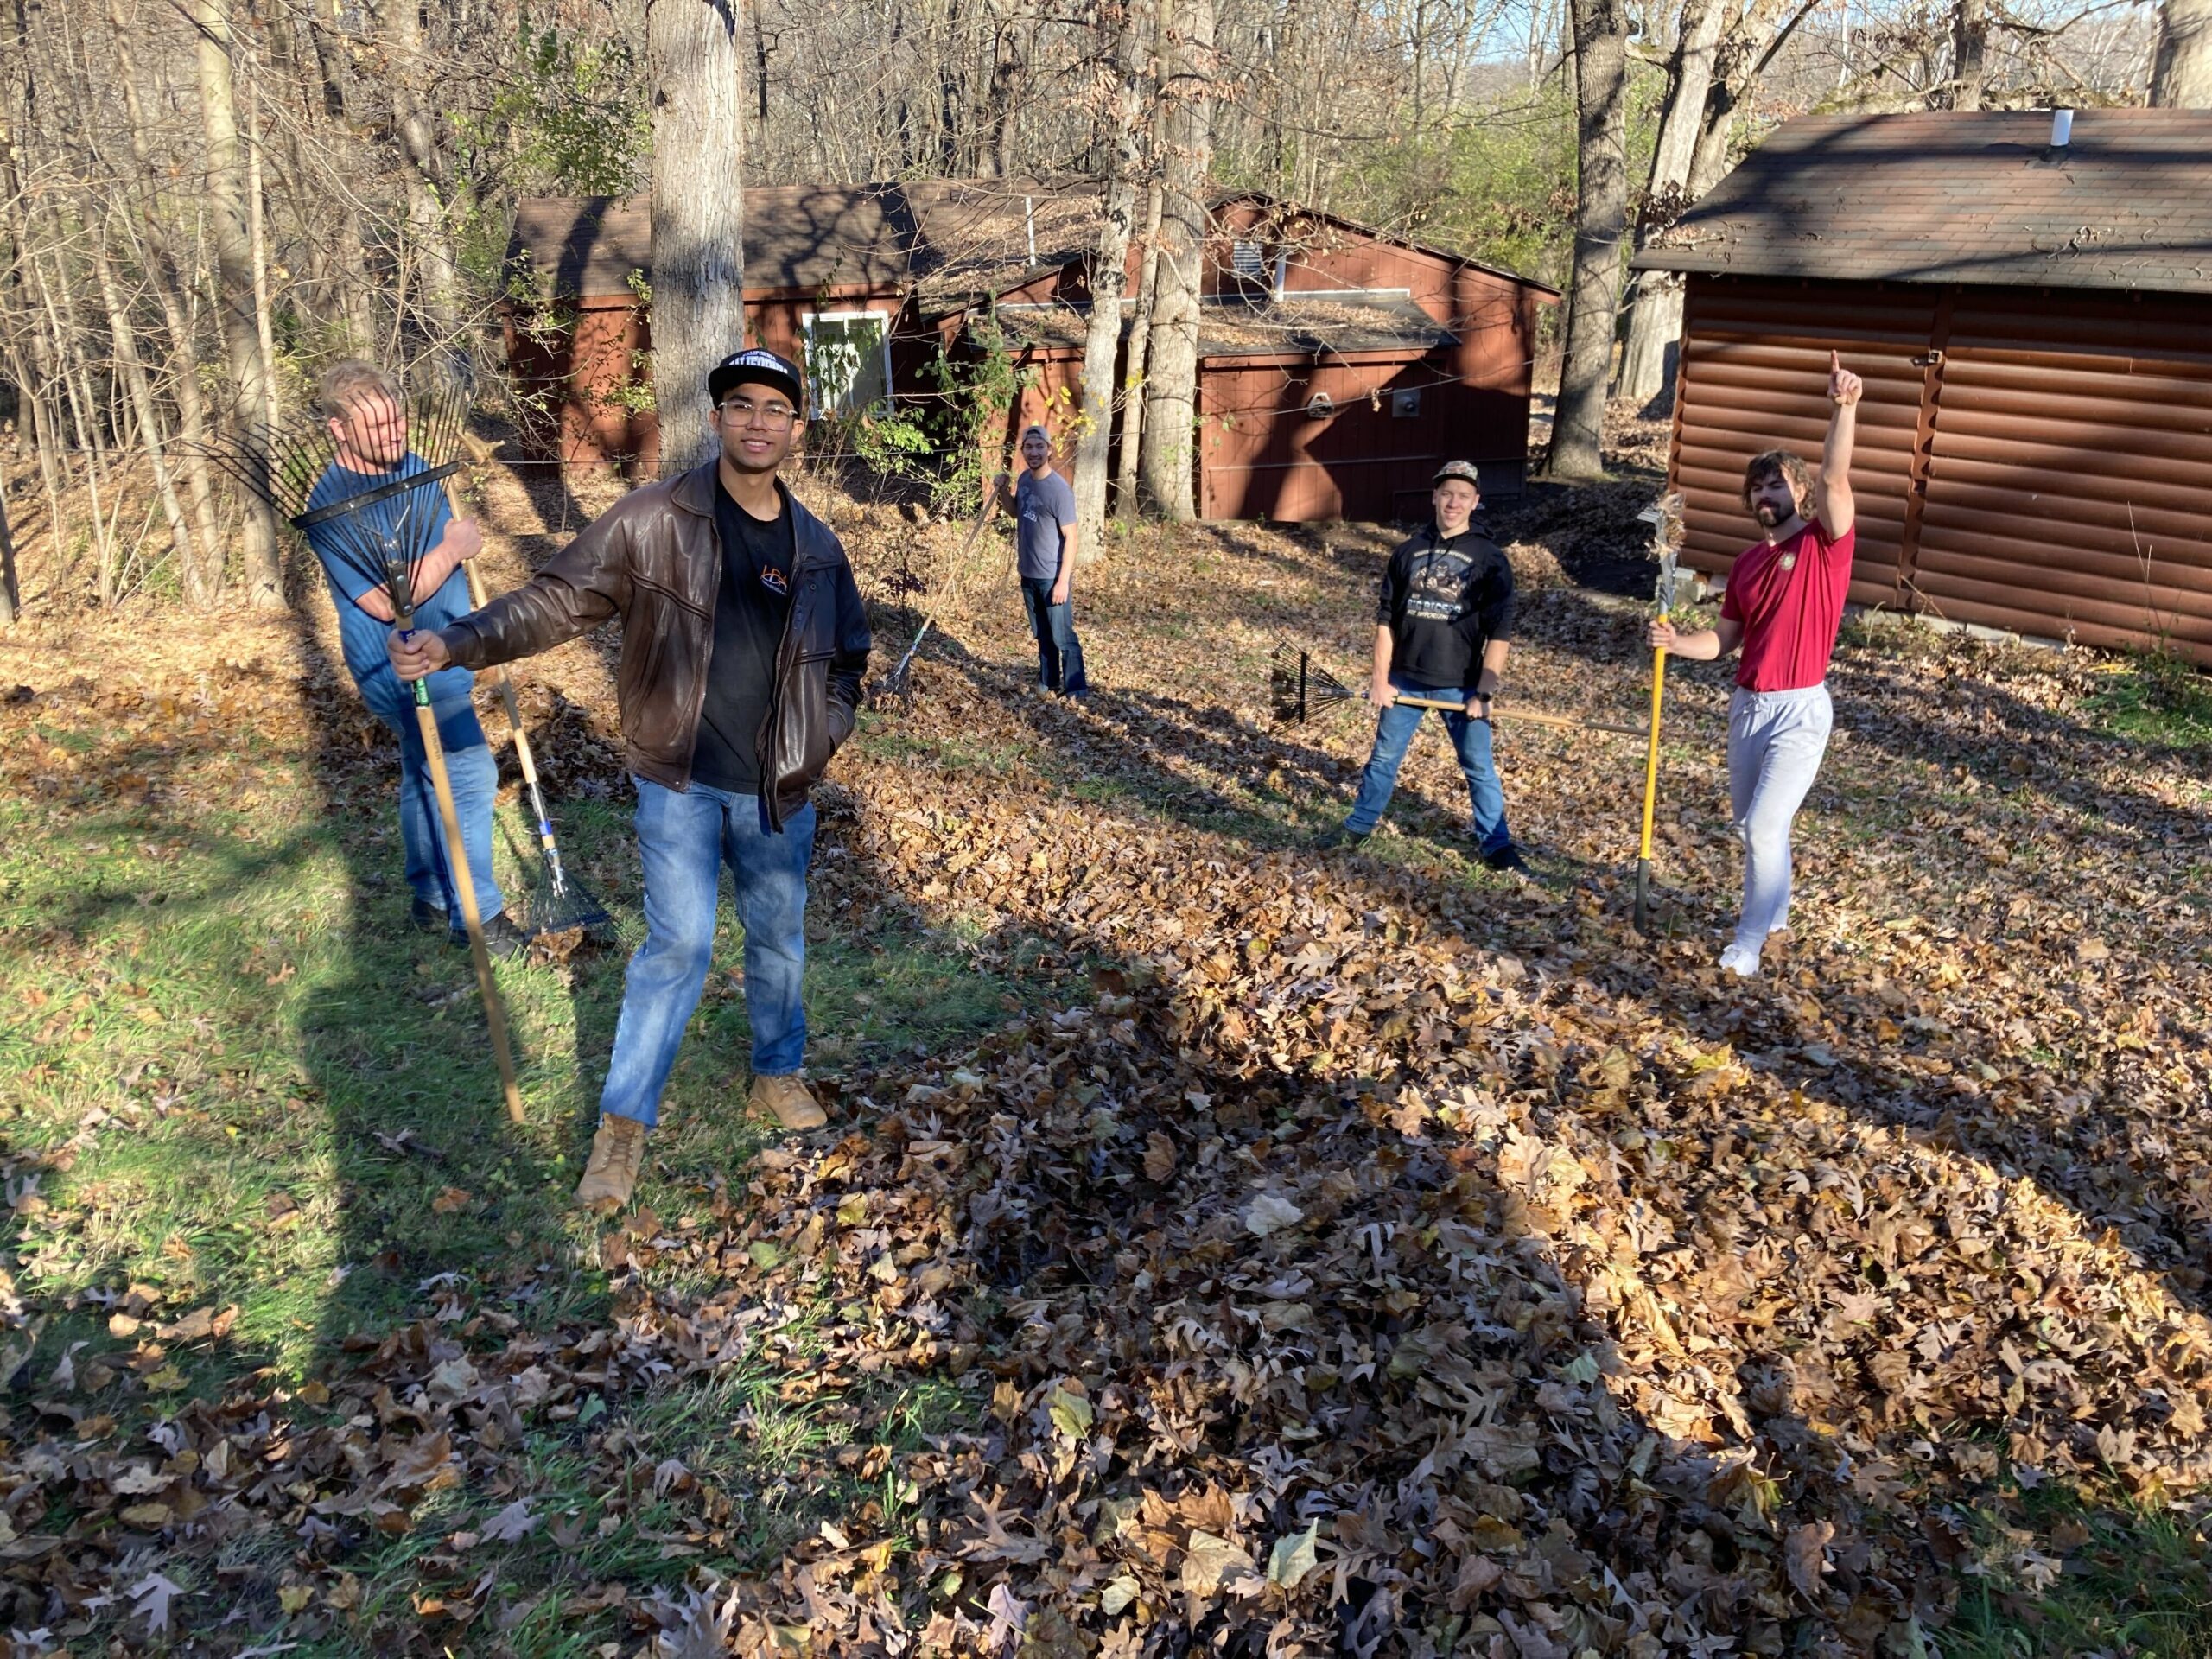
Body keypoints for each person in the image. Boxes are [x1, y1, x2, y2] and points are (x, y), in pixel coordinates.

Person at [388, 346, 872, 1211]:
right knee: (677, 948)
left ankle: (776, 1072)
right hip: (680, 782)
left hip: (778, 792)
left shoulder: (819, 549)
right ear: (717, 418)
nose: (759, 421)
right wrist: (458, 641)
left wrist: (821, 739)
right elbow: (555, 598)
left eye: (776, 409)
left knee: (778, 941)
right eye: (742, 405)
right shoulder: (654, 519)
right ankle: (621, 1131)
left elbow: (847, 665)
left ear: (796, 429)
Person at [1648, 351, 1862, 978]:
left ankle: (1748, 941)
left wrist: (1843, 409)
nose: (1767, 494)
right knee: (1753, 826)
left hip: (1801, 708)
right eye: (1758, 487)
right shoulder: (1745, 565)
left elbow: (1838, 481)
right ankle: (1776, 917)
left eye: (1779, 485)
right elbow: (1723, 641)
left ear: (1800, 493)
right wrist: (1674, 642)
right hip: (1748, 706)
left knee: (1765, 828)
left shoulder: (1826, 544)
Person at [302, 361, 521, 955]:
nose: (395, 433)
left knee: (424, 773)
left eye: (398, 419)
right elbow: (382, 600)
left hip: (448, 647)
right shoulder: (332, 506)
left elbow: (447, 538)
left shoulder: (414, 466)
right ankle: (479, 918)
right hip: (398, 666)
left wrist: (461, 557)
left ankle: (429, 894)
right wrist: (454, 548)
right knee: (468, 772)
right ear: (338, 429)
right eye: (377, 426)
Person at [1316, 460, 1527, 872]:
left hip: (1463, 685)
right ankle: (1359, 826)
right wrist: (1379, 680)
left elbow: (1500, 632)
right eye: (1447, 493)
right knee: (1382, 760)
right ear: (1434, 496)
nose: (1453, 502)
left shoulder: (1491, 559)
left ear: (1476, 502)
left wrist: (1484, 693)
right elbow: (1384, 621)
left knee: (1479, 768)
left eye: (1463, 495)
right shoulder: (1407, 552)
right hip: (1405, 682)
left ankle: (1497, 847)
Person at [992, 424, 1089, 697]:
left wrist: (1062, 582)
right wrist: (1003, 491)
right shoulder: (1024, 480)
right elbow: (1014, 512)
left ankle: (1076, 688)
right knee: (1043, 635)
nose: (1034, 452)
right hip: (1029, 574)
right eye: (1029, 447)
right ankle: (1049, 682)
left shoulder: (1059, 491)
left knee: (1063, 636)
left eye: (1039, 447)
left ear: (1049, 450)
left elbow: (1072, 538)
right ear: (1023, 451)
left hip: (1052, 576)